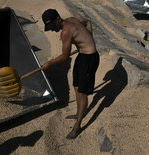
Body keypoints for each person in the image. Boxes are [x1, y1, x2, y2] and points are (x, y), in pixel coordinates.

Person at [41, 9, 99, 139]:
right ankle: (79, 113)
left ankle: (77, 126)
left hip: (89, 59)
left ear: (58, 20)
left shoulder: (66, 31)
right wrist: (89, 38)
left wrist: (49, 63)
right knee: (77, 87)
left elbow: (65, 56)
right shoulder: (72, 19)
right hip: (83, 55)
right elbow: (87, 21)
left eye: (52, 26)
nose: (51, 29)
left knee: (82, 92)